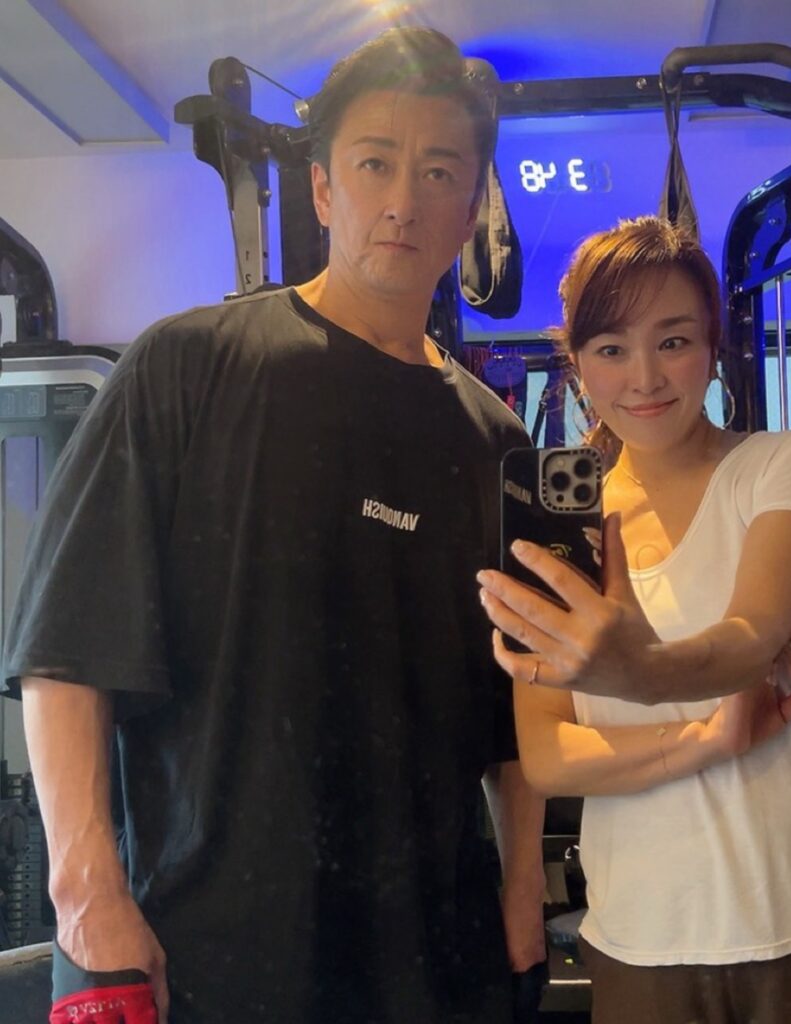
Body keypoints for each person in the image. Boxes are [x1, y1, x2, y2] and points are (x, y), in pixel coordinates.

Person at [1, 28, 547, 1024]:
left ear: (471, 208)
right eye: (374, 163)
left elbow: (516, 713)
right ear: (325, 190)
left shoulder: (496, 442)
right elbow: (65, 650)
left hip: (434, 961)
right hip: (209, 958)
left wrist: (520, 894)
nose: (403, 200)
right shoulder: (186, 367)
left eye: (438, 172)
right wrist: (85, 893)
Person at [476, 216, 791, 1023]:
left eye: (673, 341)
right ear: (577, 364)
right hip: (645, 944)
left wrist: (636, 670)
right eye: (611, 349)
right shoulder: (560, 535)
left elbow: (747, 640)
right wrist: (708, 739)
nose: (644, 377)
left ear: (713, 346)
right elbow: (549, 756)